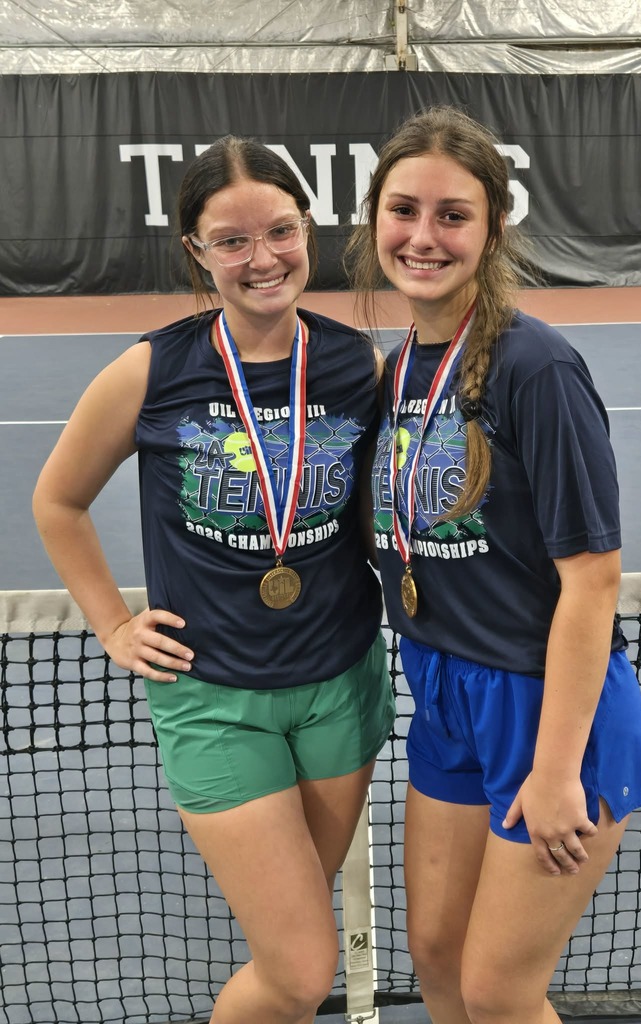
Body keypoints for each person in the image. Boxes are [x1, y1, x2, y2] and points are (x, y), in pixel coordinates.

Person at [33, 135, 395, 1024]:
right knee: (301, 970)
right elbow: (58, 502)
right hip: (214, 704)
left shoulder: (357, 364)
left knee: (293, 942)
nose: (262, 258)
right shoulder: (151, 371)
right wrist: (114, 624)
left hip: (341, 691)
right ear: (196, 251)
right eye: (231, 241)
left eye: (279, 231)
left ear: (306, 227)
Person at [346, 106, 641, 1024]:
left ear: (490, 230)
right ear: (374, 221)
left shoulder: (538, 367)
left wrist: (556, 770)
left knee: (498, 991)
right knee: (438, 960)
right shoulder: (398, 370)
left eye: (453, 215)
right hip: (445, 693)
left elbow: (593, 579)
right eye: (404, 210)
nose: (424, 236)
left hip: (545, 704)